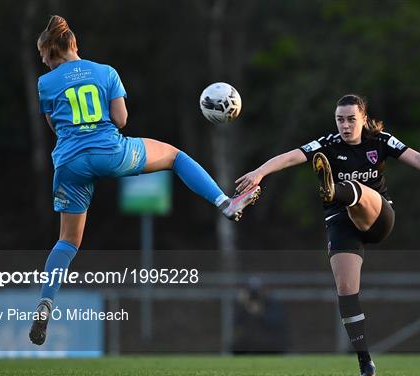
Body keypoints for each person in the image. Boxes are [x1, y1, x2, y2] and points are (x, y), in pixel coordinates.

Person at [29, 15, 260, 346]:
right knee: (174, 156)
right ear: (75, 44)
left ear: (50, 54)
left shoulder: (45, 83)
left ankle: (47, 299)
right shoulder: (106, 72)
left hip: (69, 164)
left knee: (67, 241)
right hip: (111, 152)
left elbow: (55, 127)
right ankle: (225, 202)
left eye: (42, 57)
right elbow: (121, 119)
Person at [235, 94, 420, 376]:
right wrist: (259, 172)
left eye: (351, 119)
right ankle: (365, 360)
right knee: (346, 290)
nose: (345, 125)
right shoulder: (328, 143)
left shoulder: (380, 141)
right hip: (341, 222)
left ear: (363, 119)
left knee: (352, 188)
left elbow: (417, 159)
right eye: (340, 119)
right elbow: (290, 156)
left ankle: (336, 190)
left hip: (378, 216)